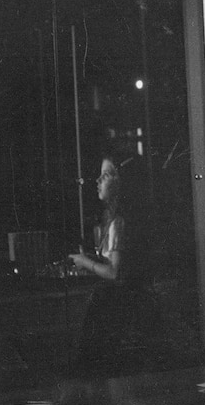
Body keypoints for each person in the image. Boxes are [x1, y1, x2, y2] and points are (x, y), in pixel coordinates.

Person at [68, 155, 162, 377]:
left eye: (106, 175)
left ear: (121, 181)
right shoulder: (114, 219)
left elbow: (114, 272)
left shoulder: (119, 221)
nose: (98, 181)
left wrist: (86, 262)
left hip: (119, 305)